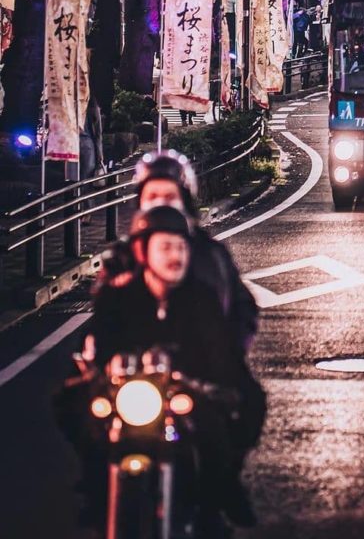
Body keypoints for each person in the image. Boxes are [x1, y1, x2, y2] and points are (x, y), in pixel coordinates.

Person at [85, 206, 265, 528]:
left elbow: (219, 354)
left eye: (181, 247)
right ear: (144, 251)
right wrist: (98, 370)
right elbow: (99, 343)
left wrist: (213, 383)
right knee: (80, 421)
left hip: (183, 396)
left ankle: (213, 507)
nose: (175, 255)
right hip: (129, 400)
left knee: (216, 438)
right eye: (165, 247)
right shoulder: (120, 296)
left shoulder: (201, 298)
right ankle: (96, 500)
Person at [99, 151, 258, 354]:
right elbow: (102, 318)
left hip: (200, 367)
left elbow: (242, 309)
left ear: (184, 201)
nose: (161, 203)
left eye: (169, 196)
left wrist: (228, 351)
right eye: (153, 197)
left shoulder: (211, 253)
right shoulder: (122, 255)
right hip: (136, 371)